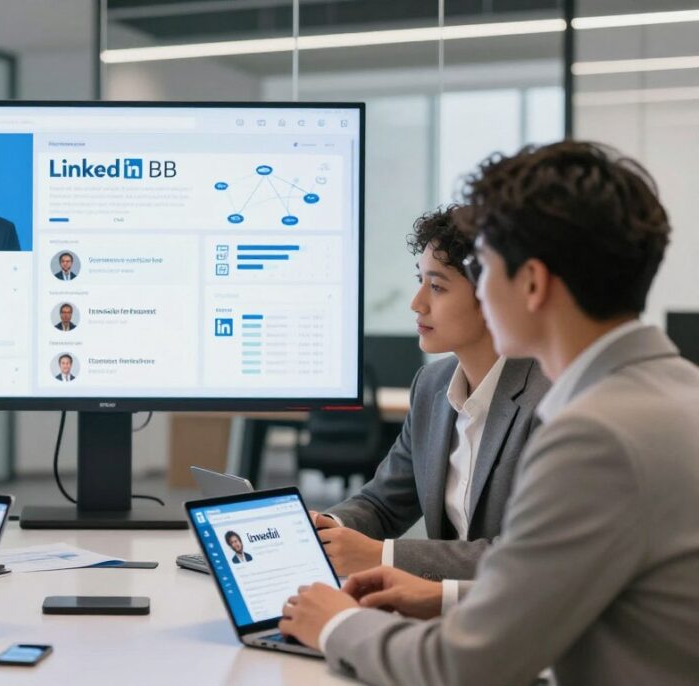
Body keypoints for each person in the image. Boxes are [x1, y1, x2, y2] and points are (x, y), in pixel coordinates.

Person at [280, 141, 699, 686]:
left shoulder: (595, 434)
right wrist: (445, 597)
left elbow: (464, 666)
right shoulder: (675, 390)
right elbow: (583, 591)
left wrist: (337, 626)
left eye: (485, 267)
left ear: (531, 282)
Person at [313, 207, 549, 579]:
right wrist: (328, 527)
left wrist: (383, 556)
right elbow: (383, 504)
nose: (417, 302)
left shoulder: (548, 400)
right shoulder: (432, 386)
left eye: (436, 286)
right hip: (442, 611)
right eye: (420, 281)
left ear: (493, 296)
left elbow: (525, 556)